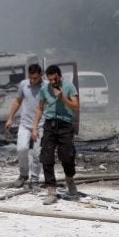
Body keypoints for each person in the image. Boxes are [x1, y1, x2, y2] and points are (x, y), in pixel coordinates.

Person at [31, 65, 79, 205]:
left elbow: (76, 107)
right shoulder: (45, 90)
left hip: (65, 126)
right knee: (46, 157)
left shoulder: (69, 86)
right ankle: (51, 191)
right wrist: (35, 127)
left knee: (67, 157)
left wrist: (62, 97)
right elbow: (40, 108)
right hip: (50, 125)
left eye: (55, 79)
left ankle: (69, 179)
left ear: (60, 76)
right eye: (49, 79)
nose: (52, 82)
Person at [4, 64, 47, 188]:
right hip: (25, 124)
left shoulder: (46, 86)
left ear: (41, 75)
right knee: (21, 149)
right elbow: (18, 101)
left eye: (36, 78)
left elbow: (43, 107)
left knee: (37, 153)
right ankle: (23, 175)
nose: (33, 81)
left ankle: (35, 179)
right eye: (31, 78)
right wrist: (10, 118)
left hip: (40, 125)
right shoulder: (23, 84)